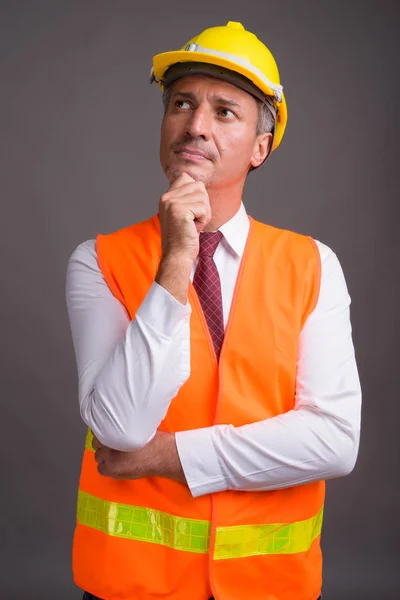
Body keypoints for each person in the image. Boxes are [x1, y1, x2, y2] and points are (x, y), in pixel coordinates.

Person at [65, 21, 361, 600]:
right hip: (133, 589)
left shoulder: (313, 265)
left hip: (270, 588)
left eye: (224, 111)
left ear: (260, 147)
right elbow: (120, 427)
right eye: (181, 104)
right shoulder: (100, 261)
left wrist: (166, 455)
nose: (195, 125)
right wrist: (176, 260)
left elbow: (334, 442)